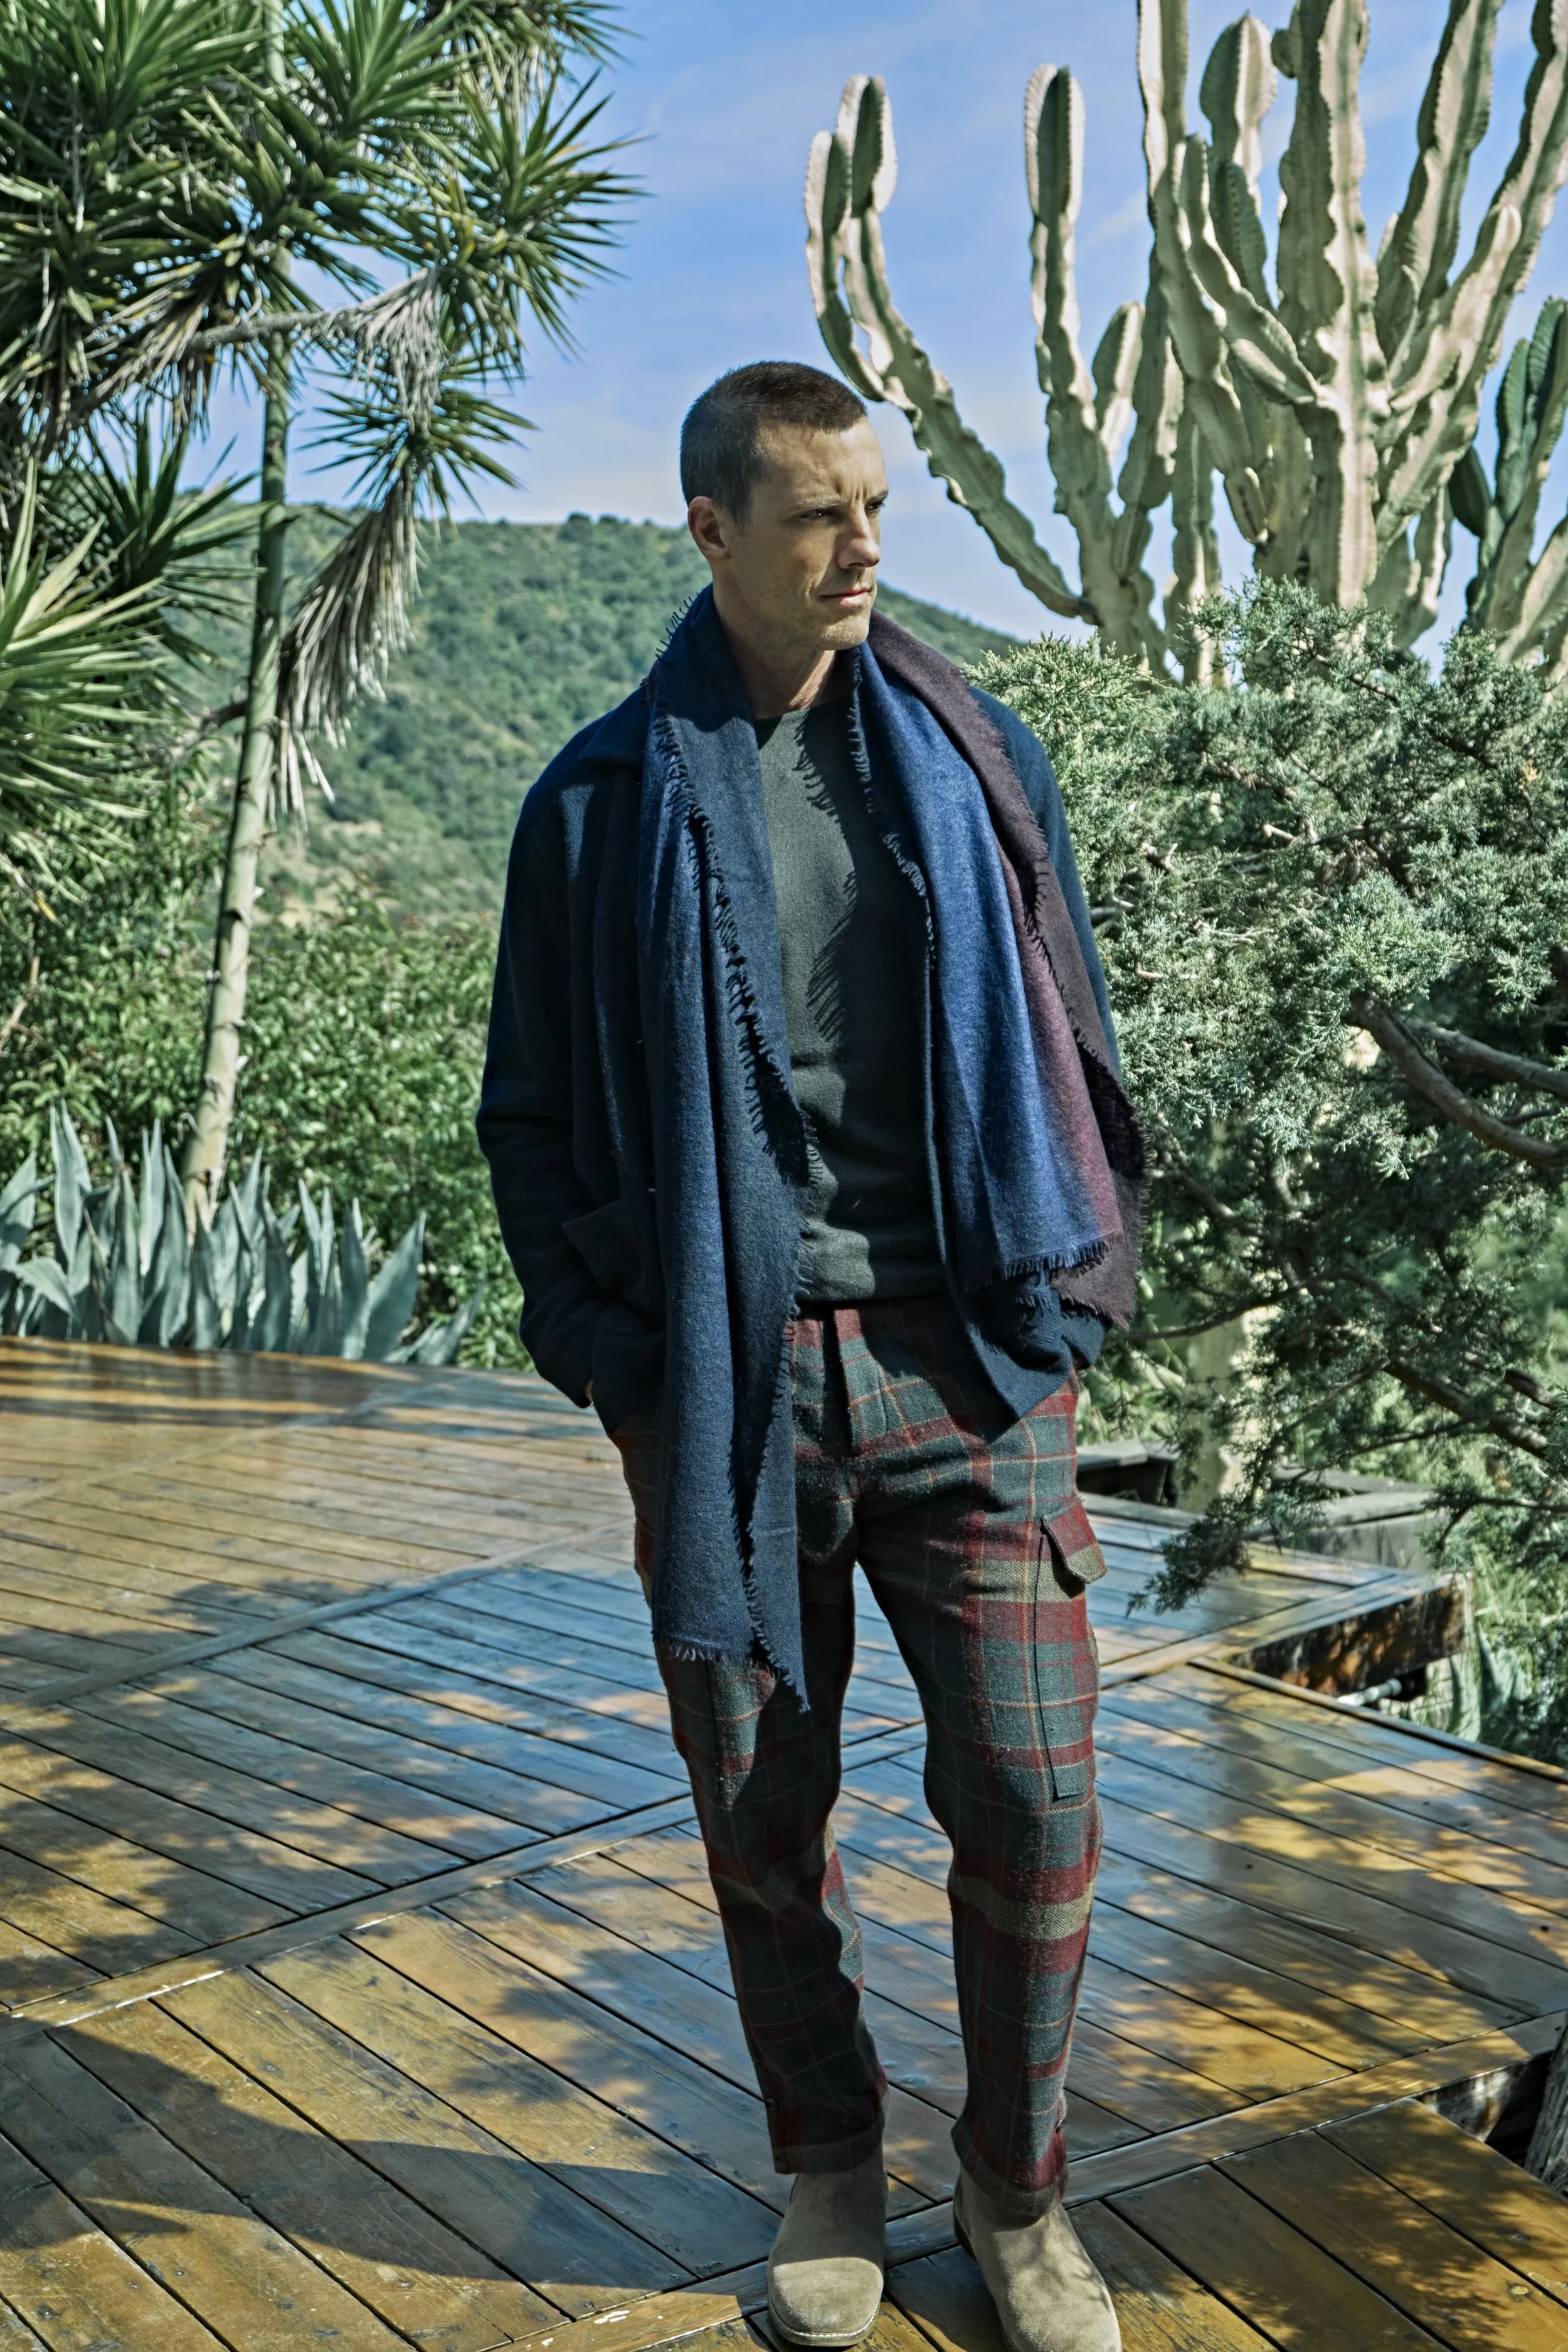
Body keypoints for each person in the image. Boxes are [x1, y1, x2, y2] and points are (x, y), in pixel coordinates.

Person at [478, 361, 1141, 2352]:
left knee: (1034, 1796)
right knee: (763, 1811)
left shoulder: (970, 750)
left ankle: (1015, 2189)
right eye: (816, 516)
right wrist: (616, 1359)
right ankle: (828, 2158)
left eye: (875, 506)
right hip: (731, 1390)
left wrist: (1072, 1299)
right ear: (710, 531)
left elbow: (1074, 1040)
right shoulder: (597, 804)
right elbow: (527, 1121)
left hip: (973, 1360)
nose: (863, 548)